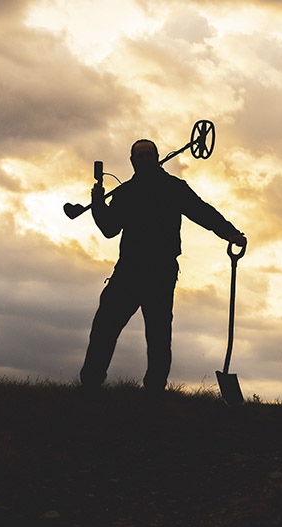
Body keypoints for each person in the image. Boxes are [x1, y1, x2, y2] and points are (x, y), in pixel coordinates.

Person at [79, 139, 246, 393]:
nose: (145, 159)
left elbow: (202, 212)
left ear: (156, 157)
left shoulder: (173, 188)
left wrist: (230, 232)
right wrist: (99, 203)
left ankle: (155, 389)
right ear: (132, 161)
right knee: (104, 327)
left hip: (161, 271)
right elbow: (110, 229)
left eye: (149, 155)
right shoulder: (126, 193)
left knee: (158, 334)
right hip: (128, 270)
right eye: (140, 156)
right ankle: (90, 384)